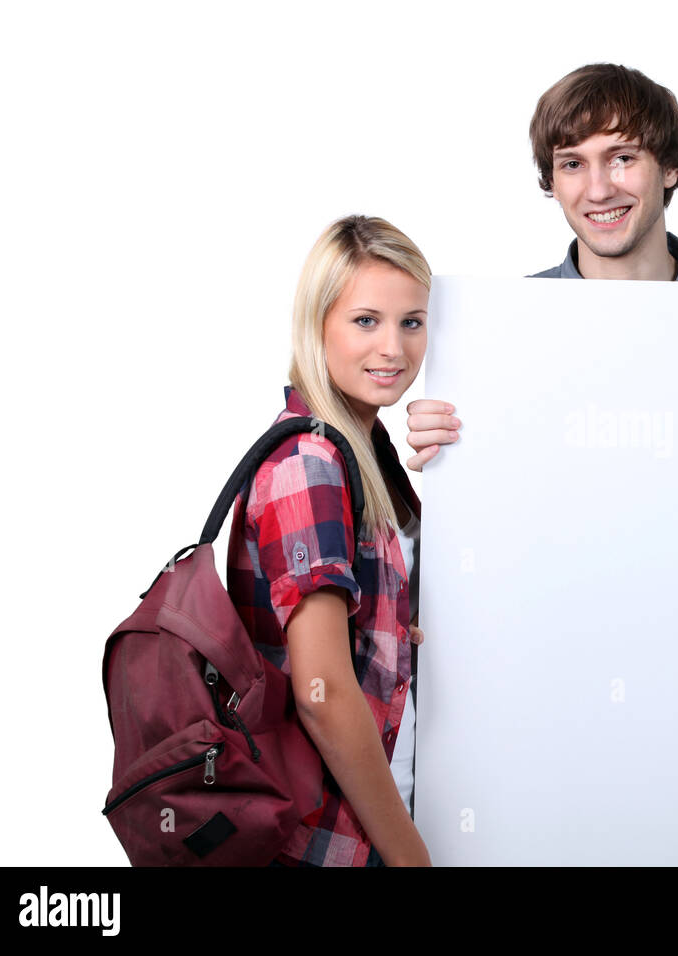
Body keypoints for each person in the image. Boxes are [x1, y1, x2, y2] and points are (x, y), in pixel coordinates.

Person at [406, 63, 678, 520]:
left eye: (623, 159)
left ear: (669, 167)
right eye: (573, 164)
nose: (598, 189)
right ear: (551, 183)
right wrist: (450, 447)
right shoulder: (500, 325)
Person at [226, 215, 433, 866]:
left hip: (367, 815)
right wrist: (410, 856)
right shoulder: (311, 461)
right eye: (366, 321)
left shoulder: (366, 451)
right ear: (319, 326)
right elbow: (324, 693)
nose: (394, 349)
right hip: (325, 839)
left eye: (412, 321)